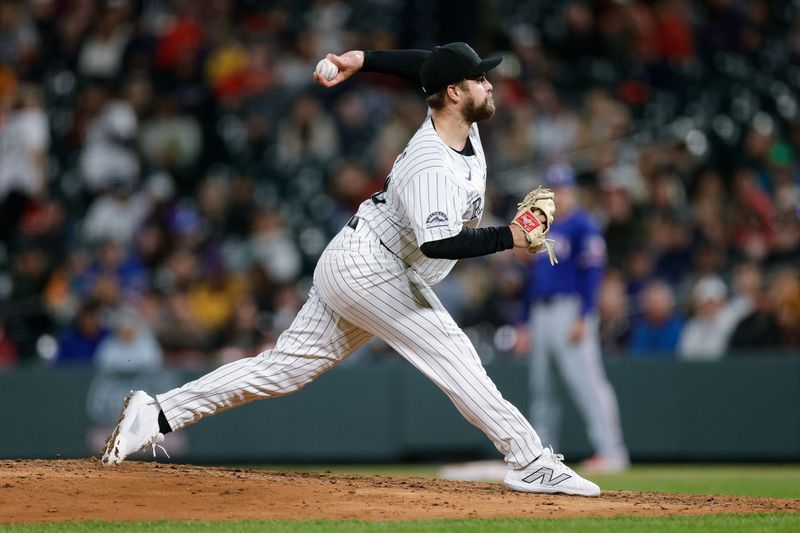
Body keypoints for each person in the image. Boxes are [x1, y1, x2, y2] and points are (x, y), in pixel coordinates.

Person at [100, 43, 600, 496]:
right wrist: (509, 237)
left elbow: (424, 64)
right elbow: (441, 240)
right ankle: (529, 458)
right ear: (454, 93)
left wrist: (364, 59)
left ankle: (156, 413)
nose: (490, 84)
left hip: (366, 258)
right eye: (480, 79)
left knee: (282, 369)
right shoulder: (431, 161)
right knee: (455, 356)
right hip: (374, 267)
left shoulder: (456, 119)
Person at [520, 163, 629, 473]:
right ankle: (539, 458)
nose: (558, 196)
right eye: (552, 190)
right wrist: (523, 322)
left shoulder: (584, 224)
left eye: (563, 189)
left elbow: (593, 274)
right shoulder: (541, 228)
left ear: (573, 191)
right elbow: (533, 281)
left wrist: (584, 315)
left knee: (588, 384)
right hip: (541, 313)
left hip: (570, 310)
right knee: (543, 390)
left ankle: (612, 452)